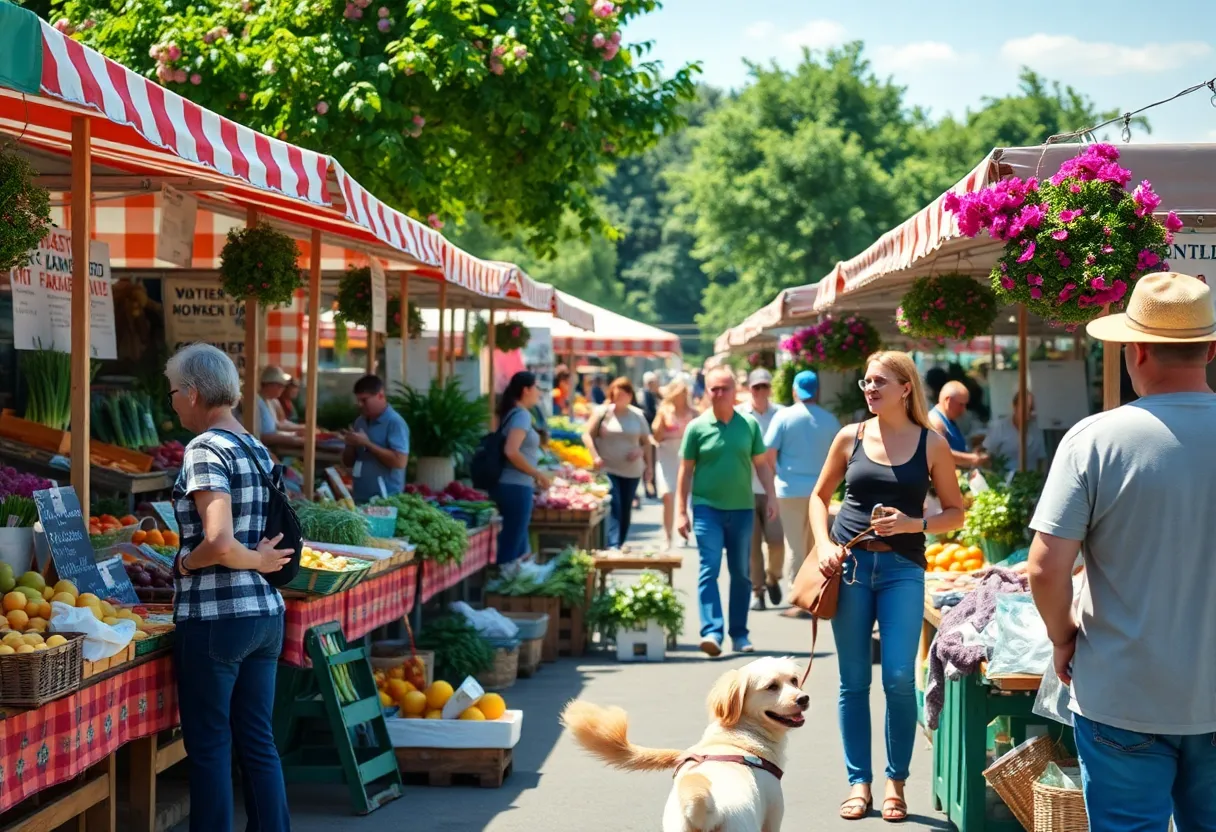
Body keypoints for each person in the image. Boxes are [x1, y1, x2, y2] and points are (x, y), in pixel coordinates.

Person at [1027, 272, 1216, 831]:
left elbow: (1045, 566)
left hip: (1122, 691)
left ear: (1133, 351)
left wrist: (1063, 636)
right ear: (1209, 349)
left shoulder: (1094, 440)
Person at [810, 350, 964, 822]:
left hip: (902, 569)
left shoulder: (931, 444)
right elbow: (820, 498)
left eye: (880, 382)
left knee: (898, 677)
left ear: (905, 388)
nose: (870, 389)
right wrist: (822, 546)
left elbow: (956, 513)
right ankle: (860, 783)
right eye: (866, 382)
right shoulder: (848, 437)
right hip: (851, 567)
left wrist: (912, 523)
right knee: (853, 682)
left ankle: (896, 783)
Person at [165, 343, 292, 832]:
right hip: (265, 615)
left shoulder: (205, 448)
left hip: (217, 618)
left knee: (211, 746)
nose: (172, 401)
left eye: (174, 391)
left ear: (194, 393)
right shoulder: (253, 445)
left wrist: (184, 564)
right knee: (258, 741)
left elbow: (218, 541)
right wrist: (258, 562)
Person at [676, 367, 778, 657]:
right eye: (713, 389)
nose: (719, 394)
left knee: (741, 574)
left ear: (735, 391)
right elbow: (685, 471)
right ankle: (712, 632)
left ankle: (739, 634)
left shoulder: (748, 425)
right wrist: (681, 512)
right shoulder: (696, 427)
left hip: (743, 509)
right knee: (709, 570)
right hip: (707, 509)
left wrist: (771, 496)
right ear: (706, 392)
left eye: (724, 388)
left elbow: (761, 464)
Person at [763, 369, 840, 618]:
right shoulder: (830, 420)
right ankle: (815, 595)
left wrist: (781, 474)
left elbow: (769, 454)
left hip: (789, 491)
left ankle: (798, 600)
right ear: (817, 390)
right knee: (816, 545)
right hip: (821, 492)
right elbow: (841, 460)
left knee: (795, 546)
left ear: (795, 390)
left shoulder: (783, 417)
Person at [735, 368, 786, 611]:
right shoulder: (739, 414)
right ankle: (758, 591)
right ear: (749, 388)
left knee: (776, 541)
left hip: (774, 488)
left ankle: (773, 576)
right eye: (756, 387)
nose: (760, 391)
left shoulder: (781, 414)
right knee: (753, 545)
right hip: (745, 488)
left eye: (764, 386)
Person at [584, 377, 651, 548]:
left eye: (625, 394)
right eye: (618, 394)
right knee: (615, 503)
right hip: (609, 467)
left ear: (630, 396)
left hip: (632, 470)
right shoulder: (603, 413)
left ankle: (619, 543)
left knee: (626, 508)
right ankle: (612, 544)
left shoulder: (638, 415)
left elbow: (647, 442)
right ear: (612, 395)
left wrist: (644, 458)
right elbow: (587, 435)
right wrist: (595, 456)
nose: (621, 398)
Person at [494, 372, 552, 563]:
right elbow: (511, 451)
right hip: (516, 486)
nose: (539, 393)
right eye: (536, 388)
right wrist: (536, 474)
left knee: (515, 542)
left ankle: (507, 584)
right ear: (526, 390)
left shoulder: (513, 413)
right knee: (512, 544)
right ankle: (503, 586)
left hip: (512, 485)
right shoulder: (521, 416)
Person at [341, 375, 410, 503]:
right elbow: (348, 462)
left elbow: (399, 462)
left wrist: (367, 444)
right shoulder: (360, 422)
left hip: (386, 499)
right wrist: (350, 444)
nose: (360, 405)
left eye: (364, 400)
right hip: (360, 496)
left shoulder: (395, 423)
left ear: (380, 395)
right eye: (358, 400)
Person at [652, 378, 698, 551]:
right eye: (679, 393)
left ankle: (684, 532)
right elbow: (655, 436)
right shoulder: (664, 412)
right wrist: (661, 423)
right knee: (668, 496)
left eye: (684, 393)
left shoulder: (694, 413)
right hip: (667, 456)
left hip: (687, 456)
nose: (682, 396)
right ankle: (667, 535)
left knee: (687, 496)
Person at [982, 390, 1048, 472]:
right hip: (1004, 480)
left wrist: (1042, 478)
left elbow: (1041, 458)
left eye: (1031, 409)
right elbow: (987, 456)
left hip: (1032, 479)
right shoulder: (999, 427)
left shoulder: (1037, 429)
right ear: (1015, 407)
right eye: (1024, 408)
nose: (1028, 412)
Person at [928, 380, 988, 468]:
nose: (964, 410)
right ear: (948, 401)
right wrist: (972, 458)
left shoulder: (950, 420)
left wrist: (972, 450)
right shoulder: (935, 422)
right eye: (961, 405)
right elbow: (940, 454)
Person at [641, 372, 661, 499]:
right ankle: (649, 487)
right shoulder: (646, 394)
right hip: (648, 433)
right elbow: (649, 413)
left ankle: (651, 486)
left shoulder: (654, 394)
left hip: (651, 432)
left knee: (651, 461)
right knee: (649, 461)